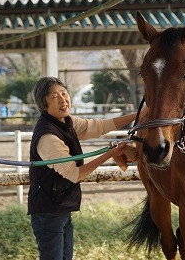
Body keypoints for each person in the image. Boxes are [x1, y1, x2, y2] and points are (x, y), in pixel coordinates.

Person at [28, 76, 140, 260]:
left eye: (64, 93)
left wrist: (138, 115)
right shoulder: (47, 136)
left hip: (61, 207)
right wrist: (111, 153)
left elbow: (98, 126)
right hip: (48, 212)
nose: (63, 99)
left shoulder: (66, 121)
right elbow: (74, 174)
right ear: (44, 104)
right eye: (54, 97)